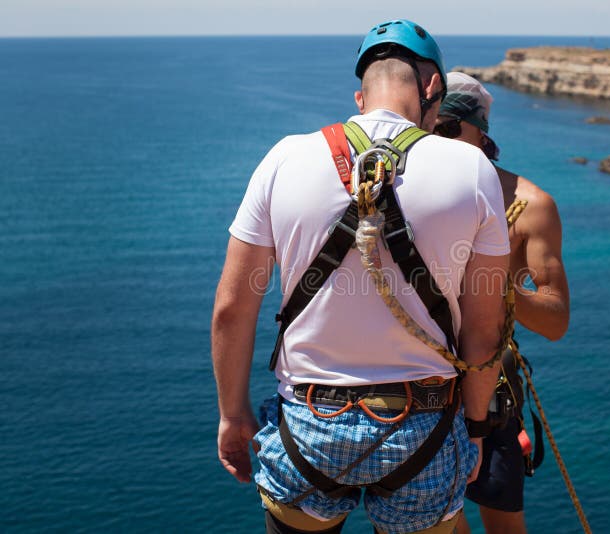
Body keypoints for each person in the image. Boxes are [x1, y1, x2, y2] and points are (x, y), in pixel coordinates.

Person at [211, 21, 511, 534]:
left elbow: (233, 307)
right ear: (432, 87)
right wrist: (477, 428)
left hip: (308, 425)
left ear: (360, 95)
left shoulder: (284, 158)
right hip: (425, 426)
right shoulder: (472, 169)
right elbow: (485, 329)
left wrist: (232, 415)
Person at [435, 73, 570, 534]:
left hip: (493, 393)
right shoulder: (404, 194)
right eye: (429, 125)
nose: (438, 138)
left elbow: (555, 321)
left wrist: (497, 283)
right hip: (423, 388)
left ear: (480, 130)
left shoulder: (529, 206)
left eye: (450, 127)